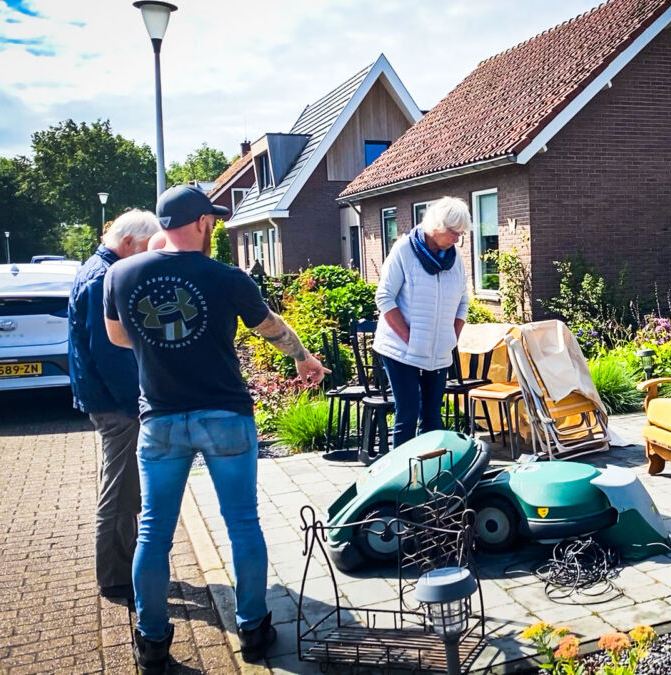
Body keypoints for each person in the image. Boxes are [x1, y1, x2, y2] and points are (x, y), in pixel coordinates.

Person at [103, 185, 328, 674]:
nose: (216, 227)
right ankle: (253, 629)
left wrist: (158, 348)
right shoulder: (227, 278)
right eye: (214, 221)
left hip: (159, 420)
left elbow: (118, 335)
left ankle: (153, 640)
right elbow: (269, 326)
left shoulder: (119, 274)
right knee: (242, 524)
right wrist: (304, 358)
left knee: (153, 532)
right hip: (225, 417)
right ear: (202, 223)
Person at [68, 209, 159, 600]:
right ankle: (117, 577)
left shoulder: (96, 269)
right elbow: (111, 354)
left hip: (104, 398)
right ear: (126, 243)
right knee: (120, 491)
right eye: (143, 250)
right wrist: (135, 403)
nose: (145, 258)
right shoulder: (104, 279)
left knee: (122, 487)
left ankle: (123, 566)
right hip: (116, 404)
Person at [373, 196, 469, 453]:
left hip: (437, 352)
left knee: (433, 417)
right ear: (436, 226)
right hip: (400, 350)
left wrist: (452, 338)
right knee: (408, 413)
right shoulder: (404, 250)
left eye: (461, 233)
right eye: (453, 232)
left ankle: (431, 478)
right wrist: (410, 338)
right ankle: (401, 480)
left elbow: (463, 301)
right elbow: (384, 297)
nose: (457, 239)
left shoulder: (454, 258)